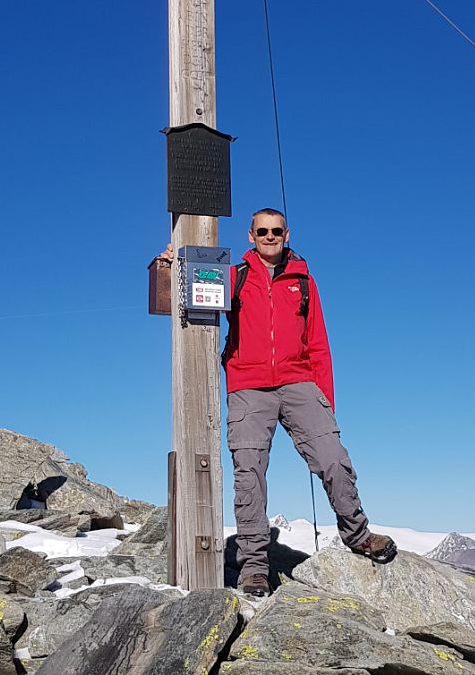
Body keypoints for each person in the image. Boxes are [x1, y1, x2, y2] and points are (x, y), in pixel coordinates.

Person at [161, 209, 395, 597]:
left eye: (277, 231)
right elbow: (186, 292)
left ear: (287, 234)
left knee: (333, 458)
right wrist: (169, 265)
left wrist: (324, 400)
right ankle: (254, 566)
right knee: (248, 471)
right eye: (262, 231)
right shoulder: (234, 277)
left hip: (301, 383)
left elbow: (319, 343)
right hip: (249, 385)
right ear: (251, 236)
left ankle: (358, 534)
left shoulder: (303, 281)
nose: (270, 236)